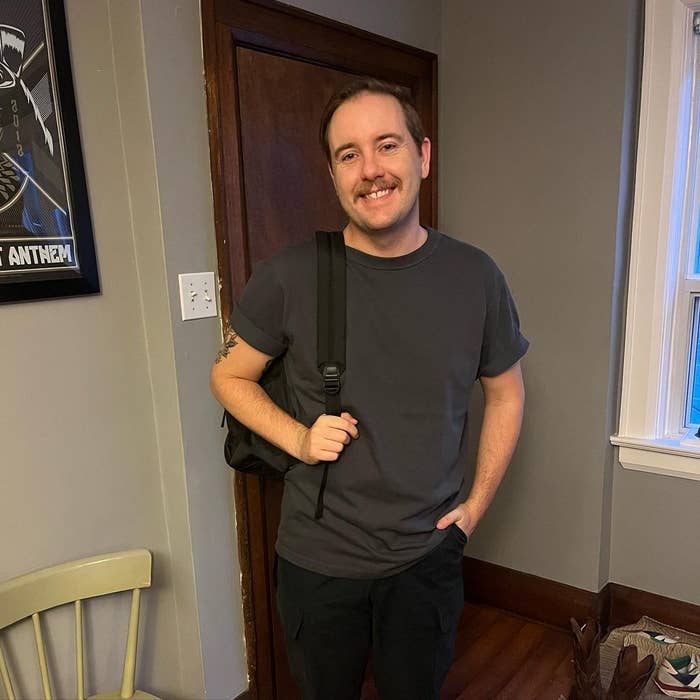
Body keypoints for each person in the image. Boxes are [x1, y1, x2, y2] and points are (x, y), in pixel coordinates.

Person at [210, 77, 528, 700]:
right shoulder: (290, 275)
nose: (370, 170)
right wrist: (300, 439)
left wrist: (475, 509)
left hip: (427, 558)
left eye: (387, 145)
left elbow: (508, 394)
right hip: (318, 563)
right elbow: (228, 374)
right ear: (332, 175)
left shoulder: (476, 277)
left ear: (423, 156)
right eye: (348, 154)